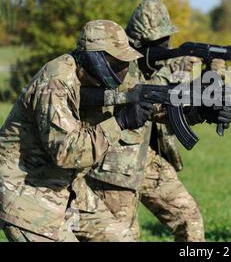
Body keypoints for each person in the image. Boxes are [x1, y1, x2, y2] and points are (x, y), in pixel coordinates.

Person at [83, 0, 231, 241]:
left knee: (189, 219)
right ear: (137, 44)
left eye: (167, 41)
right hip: (114, 166)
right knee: (122, 236)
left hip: (150, 159)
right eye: (157, 44)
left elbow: (176, 103)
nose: (165, 47)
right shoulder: (115, 66)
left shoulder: (175, 62)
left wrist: (213, 84)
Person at [0, 20, 150, 242]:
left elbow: (146, 101)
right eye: (117, 62)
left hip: (69, 190)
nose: (123, 70)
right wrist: (119, 122)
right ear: (95, 58)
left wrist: (196, 110)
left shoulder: (97, 78)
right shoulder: (55, 82)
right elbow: (66, 152)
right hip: (27, 195)